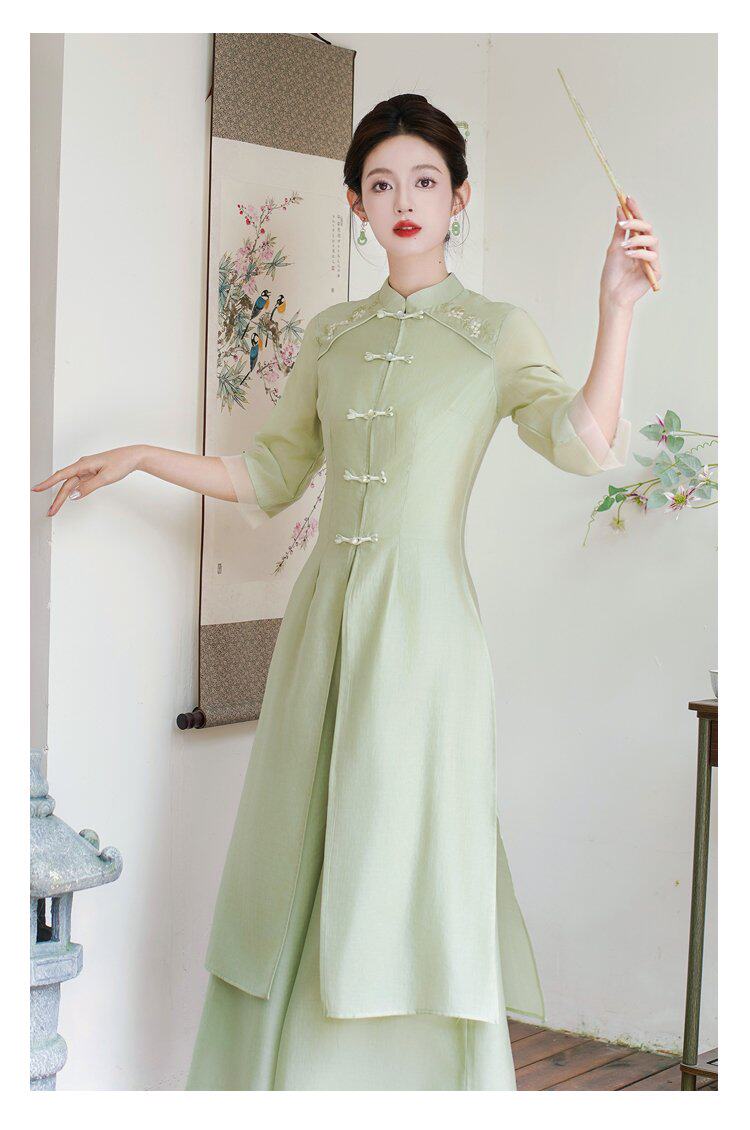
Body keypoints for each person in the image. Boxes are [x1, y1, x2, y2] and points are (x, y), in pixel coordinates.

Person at [32, 93, 661, 1090]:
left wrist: (615, 307)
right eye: (381, 183)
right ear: (356, 204)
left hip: (427, 636)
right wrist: (145, 455)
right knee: (299, 848)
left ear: (459, 197)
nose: (404, 201)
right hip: (321, 627)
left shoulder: (497, 332)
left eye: (424, 181)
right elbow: (271, 474)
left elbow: (584, 443)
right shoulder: (330, 335)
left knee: (404, 854)